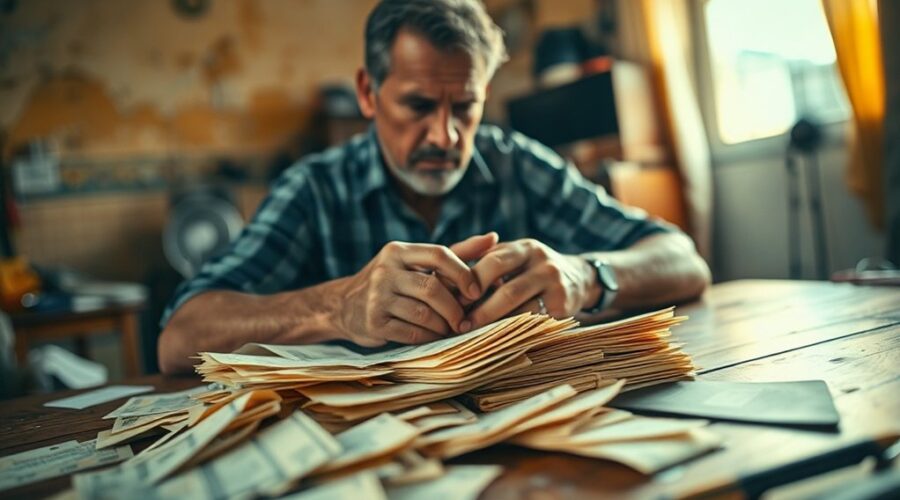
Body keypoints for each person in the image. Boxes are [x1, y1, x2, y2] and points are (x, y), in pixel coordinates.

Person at [157, 0, 710, 374]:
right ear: (368, 93)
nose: (445, 135)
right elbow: (179, 336)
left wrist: (585, 276)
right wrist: (337, 306)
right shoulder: (316, 190)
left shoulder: (515, 163)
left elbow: (683, 259)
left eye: (465, 107)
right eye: (419, 105)